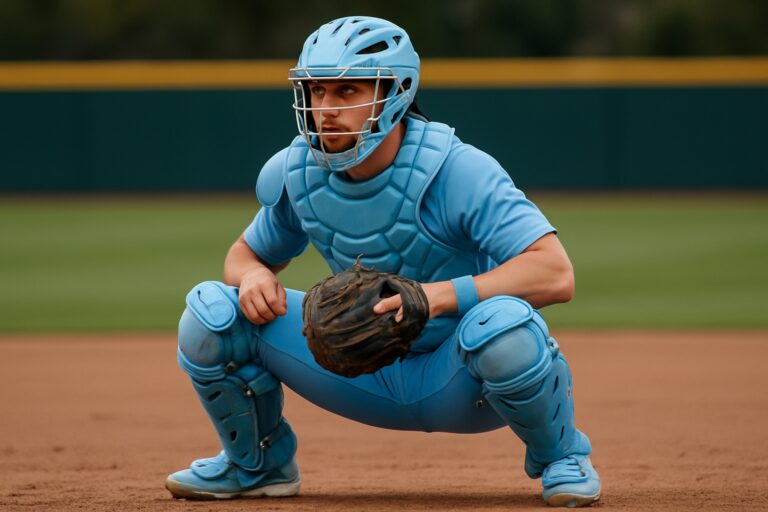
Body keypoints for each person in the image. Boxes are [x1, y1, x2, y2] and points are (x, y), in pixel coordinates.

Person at [165, 16, 601, 507]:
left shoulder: (457, 170)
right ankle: (257, 465)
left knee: (505, 328)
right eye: (316, 91)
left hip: (458, 378)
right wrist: (252, 276)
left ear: (395, 91)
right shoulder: (298, 171)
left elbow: (555, 272)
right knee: (212, 315)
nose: (326, 109)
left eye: (347, 90)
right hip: (357, 373)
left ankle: (563, 456)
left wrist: (435, 298)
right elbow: (244, 254)